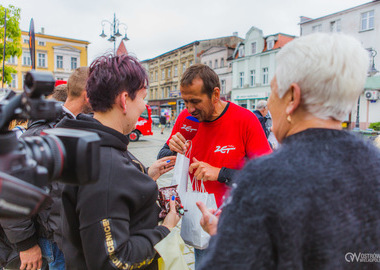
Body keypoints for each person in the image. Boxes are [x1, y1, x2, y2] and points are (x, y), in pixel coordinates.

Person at [197, 33, 380, 269]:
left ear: (293, 97)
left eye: (274, 91)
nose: (269, 103)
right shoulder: (375, 164)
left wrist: (222, 235)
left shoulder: (266, 176)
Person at [57, 54, 180, 270]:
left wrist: (144, 177)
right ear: (124, 100)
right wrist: (166, 230)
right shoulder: (105, 167)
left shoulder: (92, 145)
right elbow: (115, 260)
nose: (144, 106)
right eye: (142, 97)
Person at [157, 63, 272, 268]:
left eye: (195, 101)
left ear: (215, 94)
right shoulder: (186, 118)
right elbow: (163, 157)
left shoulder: (245, 120)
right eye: (185, 101)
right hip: (199, 221)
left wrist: (220, 173)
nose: (189, 109)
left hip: (236, 223)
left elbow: (267, 176)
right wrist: (172, 149)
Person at [0, 67, 91, 270]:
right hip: (49, 243)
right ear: (88, 96)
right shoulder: (40, 135)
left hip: (68, 240)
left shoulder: (73, 127)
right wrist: (26, 244)